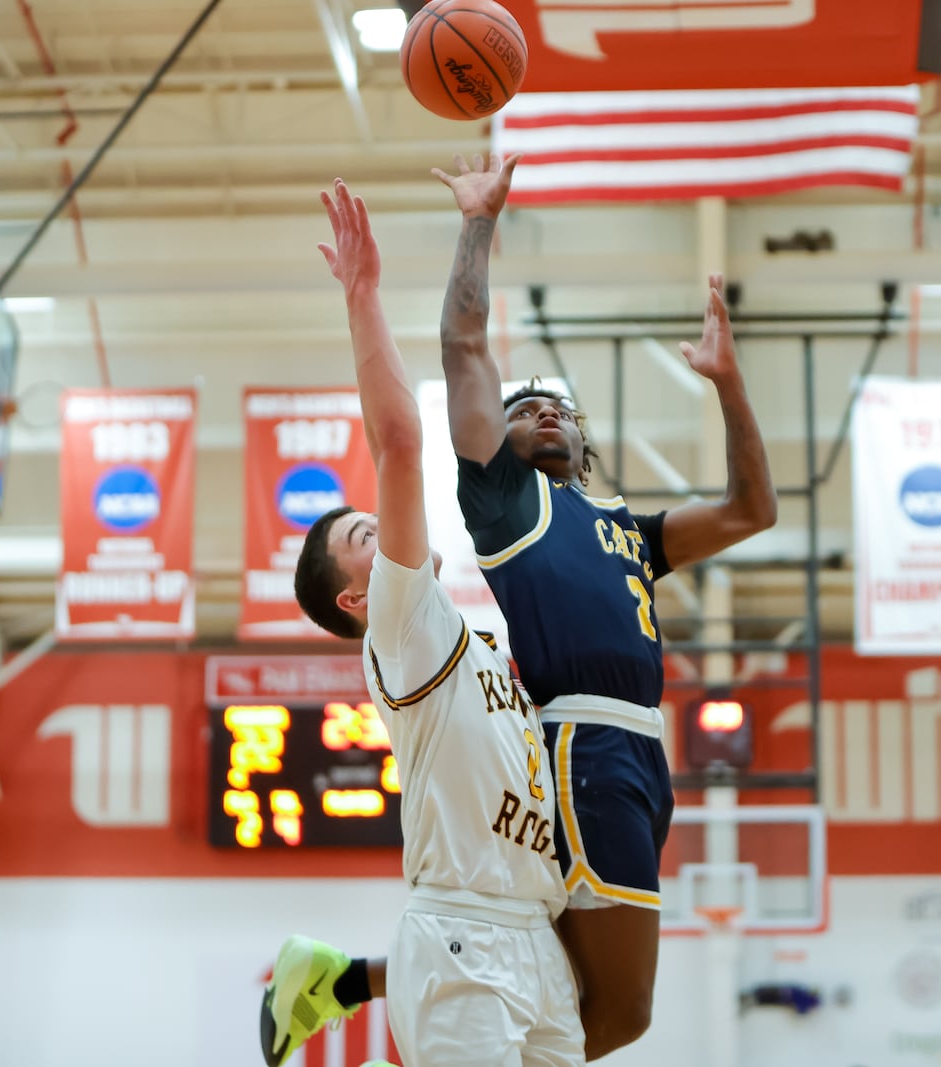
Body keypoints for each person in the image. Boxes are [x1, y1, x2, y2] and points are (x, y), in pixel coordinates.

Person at [434, 152, 778, 1058]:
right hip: (582, 743)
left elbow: (753, 510)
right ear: (500, 441)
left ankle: (358, 979)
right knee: (620, 1009)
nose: (544, 412)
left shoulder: (628, 526)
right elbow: (465, 348)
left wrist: (730, 384)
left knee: (564, 977)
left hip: (636, 751)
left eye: (560, 408)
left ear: (584, 443)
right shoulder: (507, 501)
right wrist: (478, 221)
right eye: (524, 407)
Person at [261, 179, 583, 1067]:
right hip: (462, 939)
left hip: (536, 938)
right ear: (357, 599)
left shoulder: (468, 639)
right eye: (366, 535)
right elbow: (402, 443)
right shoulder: (398, 628)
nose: (386, 524)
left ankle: (333, 976)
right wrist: (365, 298)